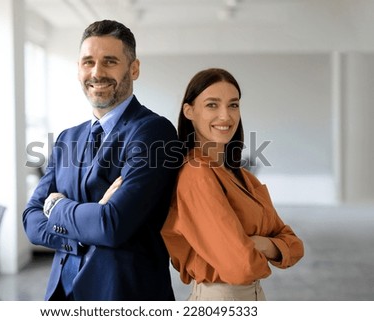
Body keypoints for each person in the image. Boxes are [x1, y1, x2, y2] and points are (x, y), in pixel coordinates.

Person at [23, 20, 181, 300]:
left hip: (124, 294)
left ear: (134, 69)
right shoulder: (67, 138)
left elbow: (112, 225)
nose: (97, 72)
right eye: (88, 62)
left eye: (110, 61)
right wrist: (88, 223)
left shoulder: (154, 132)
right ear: (79, 69)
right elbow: (31, 220)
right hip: (62, 295)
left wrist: (57, 206)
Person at [160, 68, 304, 301]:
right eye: (212, 105)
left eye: (233, 105)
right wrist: (271, 247)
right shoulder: (197, 175)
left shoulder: (244, 177)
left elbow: (295, 245)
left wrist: (262, 244)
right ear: (189, 111)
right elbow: (241, 266)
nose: (226, 116)